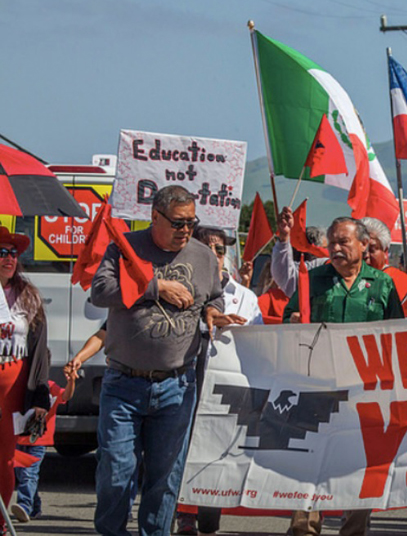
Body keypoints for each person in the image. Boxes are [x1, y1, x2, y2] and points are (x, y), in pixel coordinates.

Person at [90, 184, 245, 536]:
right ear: (154, 217)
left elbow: (216, 297)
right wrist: (155, 288)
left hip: (177, 384)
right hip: (124, 383)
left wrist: (212, 312)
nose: (186, 230)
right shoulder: (125, 247)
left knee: (165, 479)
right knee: (115, 471)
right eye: (178, 223)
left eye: (191, 222)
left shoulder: (203, 256)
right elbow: (99, 292)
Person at [282, 217, 403, 536]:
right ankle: (304, 528)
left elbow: (399, 334)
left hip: (365, 392)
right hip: (317, 388)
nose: (335, 248)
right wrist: (293, 322)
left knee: (359, 463)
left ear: (364, 245)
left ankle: (354, 530)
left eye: (343, 242)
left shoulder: (382, 284)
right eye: (332, 241)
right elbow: (288, 319)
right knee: (311, 461)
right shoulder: (311, 279)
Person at [176, 226, 264, 536]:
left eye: (221, 249)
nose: (216, 254)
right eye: (208, 247)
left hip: (228, 390)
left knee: (215, 449)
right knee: (183, 448)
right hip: (187, 382)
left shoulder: (245, 297)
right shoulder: (180, 288)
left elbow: (260, 344)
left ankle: (207, 510)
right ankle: (182, 513)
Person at [0, 226, 51, 533]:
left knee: (5, 457)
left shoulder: (28, 295)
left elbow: (40, 350)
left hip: (14, 381)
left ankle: (1, 523)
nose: (9, 258)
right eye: (2, 252)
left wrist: (40, 398)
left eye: (13, 253)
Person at [11, 369, 76, 523]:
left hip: (38, 441)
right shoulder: (21, 386)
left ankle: (24, 506)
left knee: (29, 474)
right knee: (21, 474)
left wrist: (71, 381)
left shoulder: (49, 387)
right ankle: (35, 506)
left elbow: (65, 396)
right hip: (19, 440)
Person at [359, 217, 407, 314]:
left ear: (385, 251)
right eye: (361, 248)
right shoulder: (340, 279)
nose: (366, 255)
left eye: (372, 249)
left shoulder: (405, 284)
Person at [272, 205, 327, 298]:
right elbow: (287, 277)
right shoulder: (324, 266)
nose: (337, 248)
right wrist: (284, 237)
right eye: (327, 248)